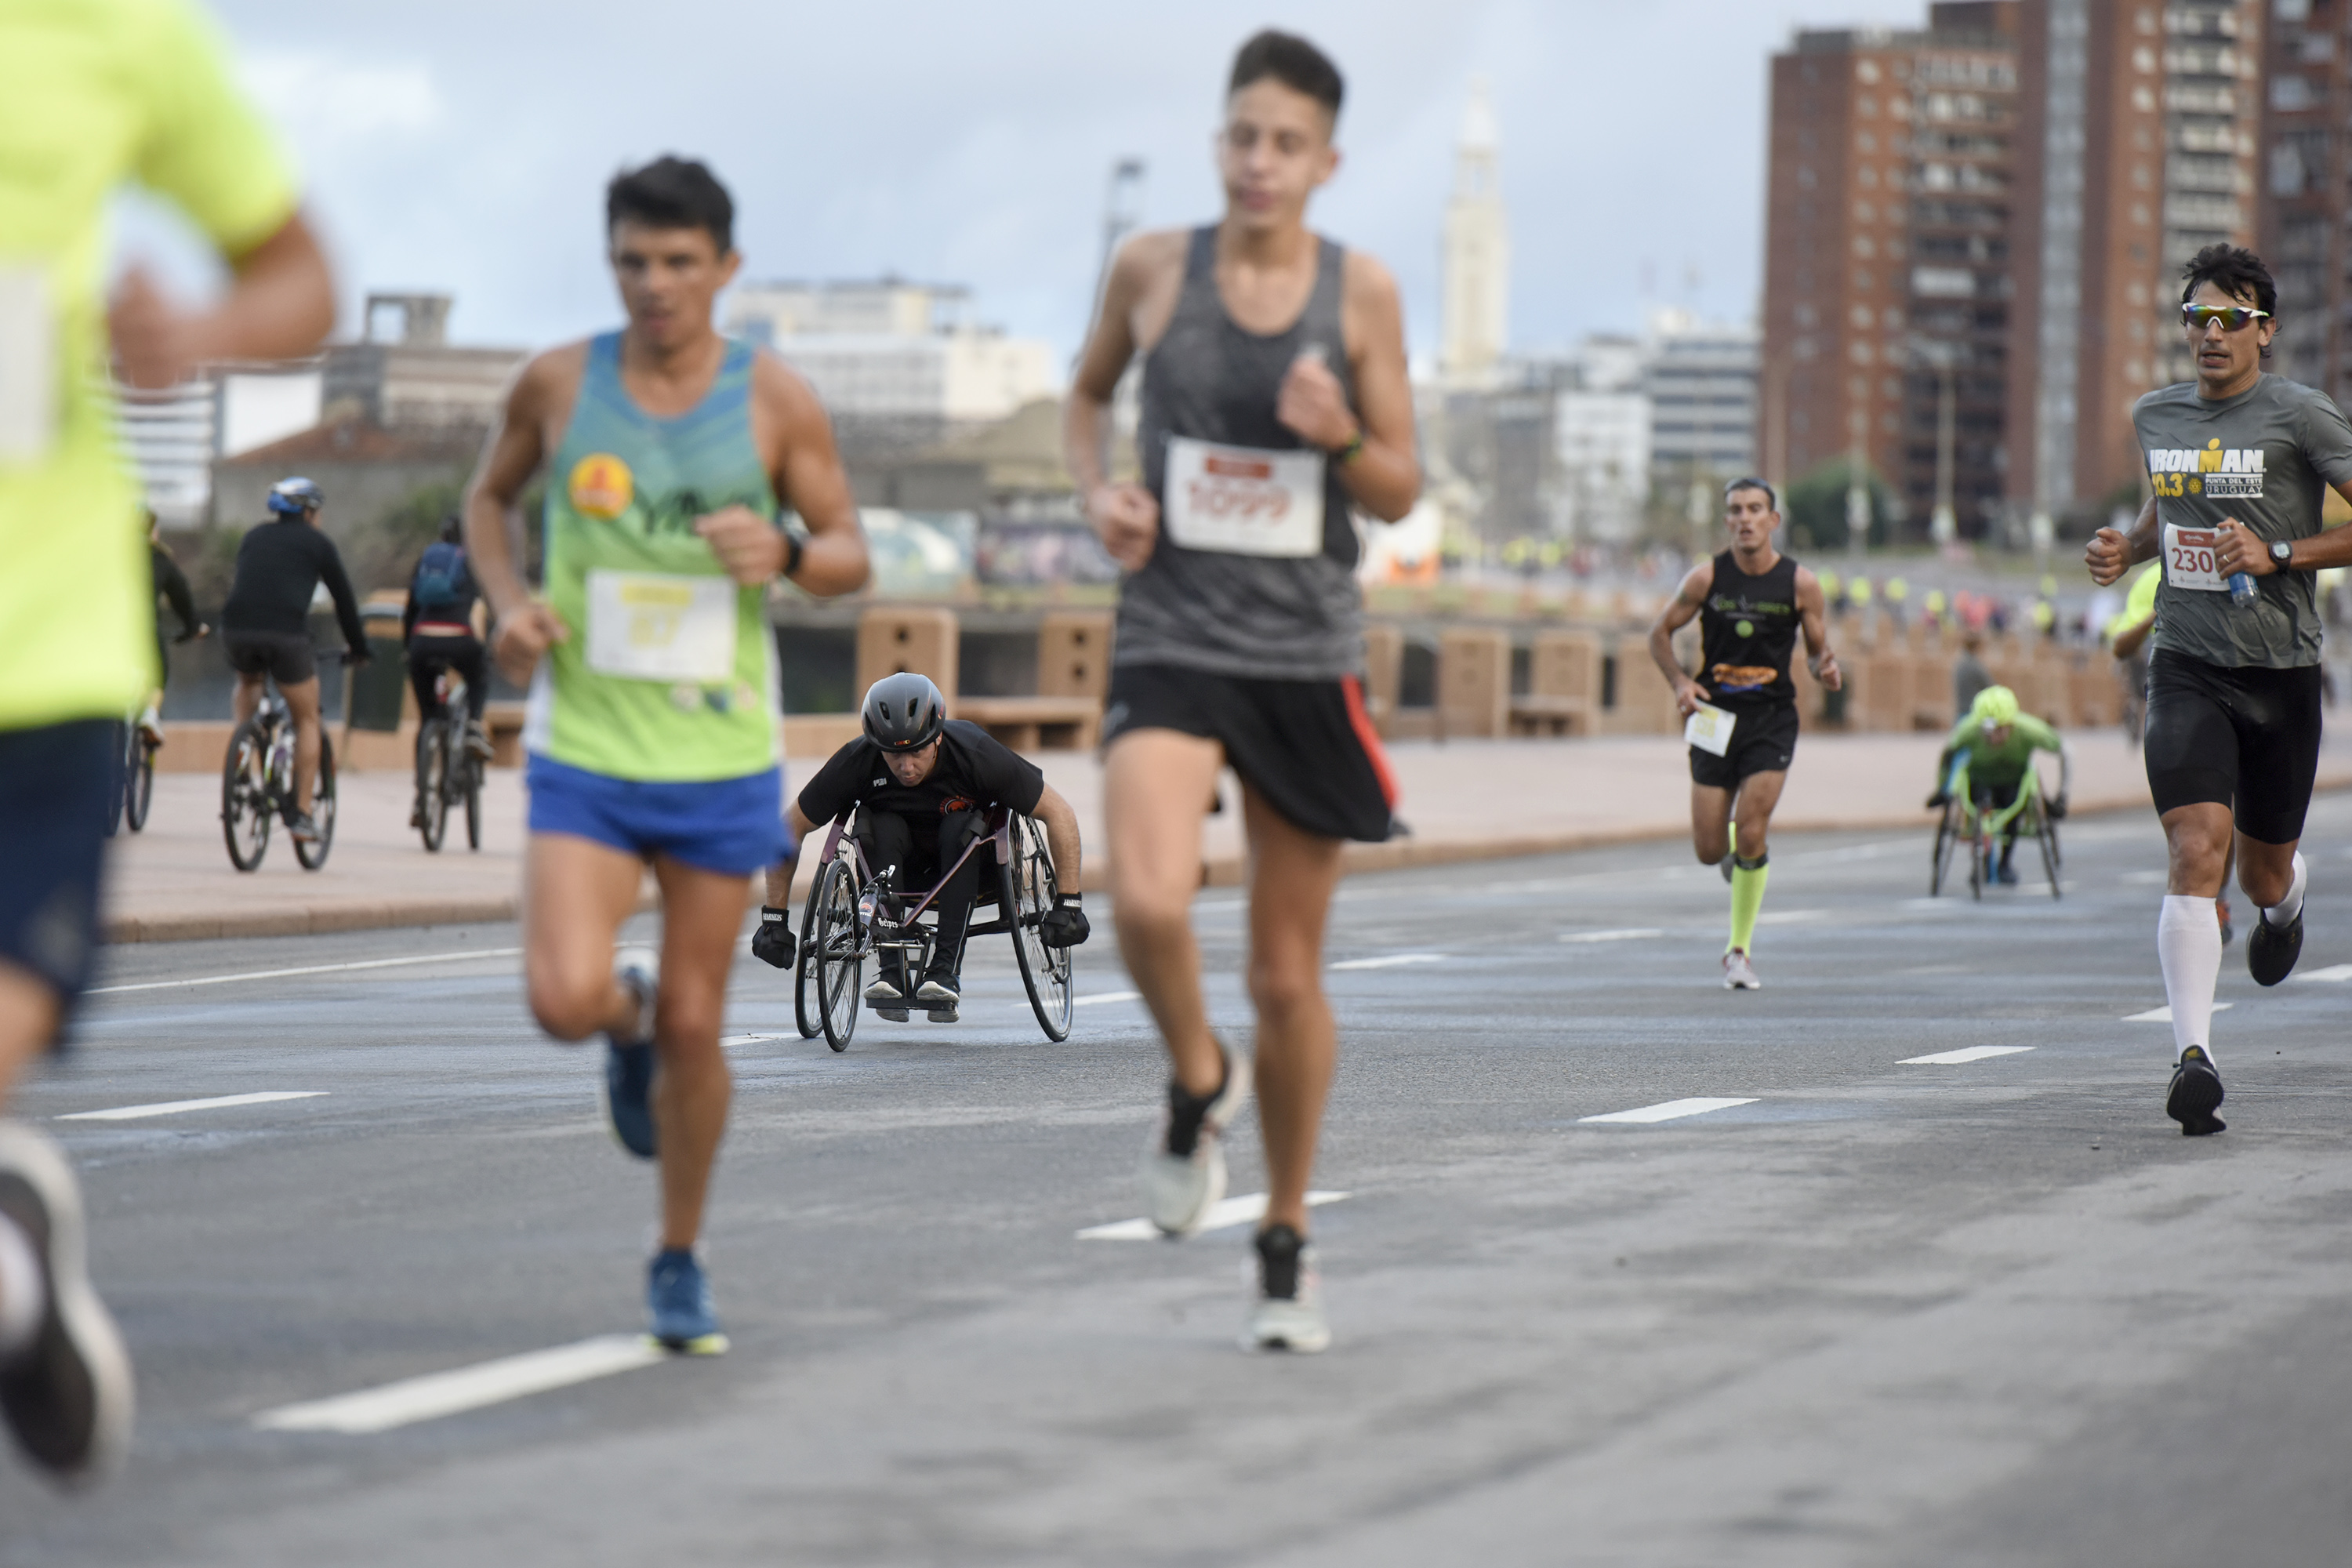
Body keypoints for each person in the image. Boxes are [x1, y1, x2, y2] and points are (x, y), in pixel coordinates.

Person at [0, 0, 335, 1483]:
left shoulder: (112, 28)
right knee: (300, 698)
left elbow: (301, 274)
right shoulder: (301, 546)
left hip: (40, 646)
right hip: (236, 636)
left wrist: (192, 332)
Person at [463, 156, 869, 1352]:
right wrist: (509, 602)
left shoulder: (774, 402)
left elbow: (851, 552)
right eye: (635, 260)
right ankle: (618, 1019)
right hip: (584, 742)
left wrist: (788, 553)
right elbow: (488, 503)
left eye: (681, 263)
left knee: (705, 1022)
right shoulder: (556, 383)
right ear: (613, 263)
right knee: (558, 1000)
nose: (656, 284)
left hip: (717, 753)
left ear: (725, 269)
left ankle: (679, 1258)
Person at [1062, 30, 1419, 1353]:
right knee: (1144, 898)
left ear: (1324, 162)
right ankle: (1194, 1076)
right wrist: (1096, 491)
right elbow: (1086, 396)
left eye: (1286, 143)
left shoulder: (1362, 294)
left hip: (1301, 652)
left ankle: (1284, 1240)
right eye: (1241, 136)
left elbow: (1400, 486)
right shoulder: (1154, 268)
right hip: (1170, 628)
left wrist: (1340, 437)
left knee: (1284, 978)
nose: (1259, 162)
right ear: (1219, 143)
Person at [2086, 244, 2352, 1137]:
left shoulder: (2301, 415)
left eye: (2230, 319)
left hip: (2280, 673)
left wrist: (2279, 552)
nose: (2210, 334)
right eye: (2197, 317)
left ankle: (2286, 899)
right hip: (2187, 663)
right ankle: (2193, 1054)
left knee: (2259, 865)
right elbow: (2171, 506)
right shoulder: (2156, 415)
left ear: (2264, 332)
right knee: (2196, 848)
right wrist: (2129, 547)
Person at [788, 673, 1087, 1022]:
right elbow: (792, 826)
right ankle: (891, 974)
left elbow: (1060, 813)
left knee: (961, 826)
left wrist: (1069, 901)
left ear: (938, 737)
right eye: (893, 755)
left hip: (972, 865)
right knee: (881, 824)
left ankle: (944, 972)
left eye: (916, 752)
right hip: (897, 870)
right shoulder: (857, 761)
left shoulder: (975, 753)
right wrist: (773, 918)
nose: (906, 767)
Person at [1650, 477, 1843, 990]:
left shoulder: (1800, 584)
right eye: (1735, 510)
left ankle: (1739, 952)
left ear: (1773, 521)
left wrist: (1824, 665)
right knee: (1710, 850)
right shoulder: (1706, 578)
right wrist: (1681, 682)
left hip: (1770, 720)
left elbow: (1817, 646)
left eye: (1755, 509)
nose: (1745, 518)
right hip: (1714, 718)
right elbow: (1659, 633)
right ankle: (1740, 859)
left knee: (1752, 826)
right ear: (1727, 521)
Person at [218, 477, 368, 840]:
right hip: (286, 634)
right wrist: (360, 648)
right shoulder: (317, 543)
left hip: (236, 630)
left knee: (250, 680)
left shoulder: (253, 537)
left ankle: (243, 746)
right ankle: (301, 815)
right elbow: (345, 603)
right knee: (307, 719)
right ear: (308, 512)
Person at [1926, 685, 2071, 886]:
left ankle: (2005, 863)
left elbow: (2065, 751)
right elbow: (1948, 754)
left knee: (2015, 803)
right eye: (1987, 730)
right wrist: (1943, 790)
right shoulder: (1969, 730)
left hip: (2013, 783)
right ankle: (1982, 859)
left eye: (1999, 730)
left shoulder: (2029, 730)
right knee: (1978, 803)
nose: (1992, 736)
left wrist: (2062, 794)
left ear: (2011, 724)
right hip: (1980, 781)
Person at [402, 515, 492, 826]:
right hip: (461, 641)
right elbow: (488, 606)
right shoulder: (475, 562)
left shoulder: (427, 561)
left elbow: (410, 609)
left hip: (421, 642)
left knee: (428, 719)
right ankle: (473, 727)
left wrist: (407, 648)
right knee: (479, 675)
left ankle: (420, 800)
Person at [140, 513, 206, 745]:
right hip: (144, 630)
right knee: (158, 673)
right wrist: (194, 626)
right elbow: (181, 596)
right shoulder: (158, 558)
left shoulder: (107, 553)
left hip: (106, 631)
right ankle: (149, 713)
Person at [1950, 630, 1991, 720]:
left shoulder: (1960, 663)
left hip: (1961, 711)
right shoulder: (1975, 666)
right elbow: (1990, 687)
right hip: (1973, 713)